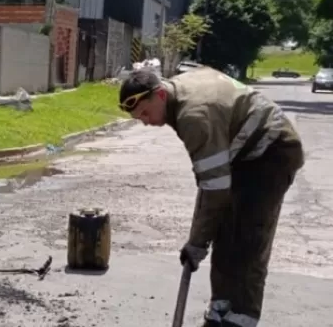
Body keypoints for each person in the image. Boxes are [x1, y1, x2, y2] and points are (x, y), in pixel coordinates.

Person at [118, 67, 304, 327]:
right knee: (224, 232)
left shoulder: (194, 116)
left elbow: (215, 191)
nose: (145, 122)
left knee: (249, 239)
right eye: (139, 118)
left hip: (273, 151)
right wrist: (200, 238)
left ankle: (241, 318)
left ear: (159, 94)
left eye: (145, 113)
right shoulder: (175, 93)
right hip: (242, 154)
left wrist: (196, 242)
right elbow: (209, 184)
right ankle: (221, 309)